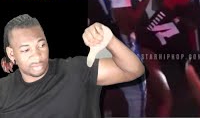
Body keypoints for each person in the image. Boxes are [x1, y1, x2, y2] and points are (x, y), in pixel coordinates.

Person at [0, 14, 145, 118]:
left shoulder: (76, 70)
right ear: (12, 54)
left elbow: (134, 70)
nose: (37, 55)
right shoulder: (3, 90)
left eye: (42, 45)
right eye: (26, 49)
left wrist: (110, 41)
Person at [87, 0, 153, 116]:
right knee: (137, 94)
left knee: (102, 86)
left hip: (95, 40)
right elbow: (127, 26)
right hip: (118, 44)